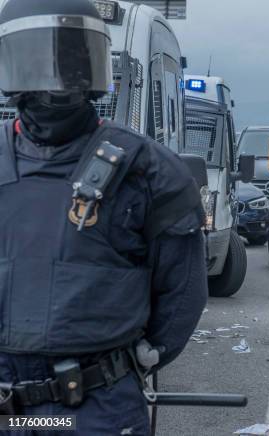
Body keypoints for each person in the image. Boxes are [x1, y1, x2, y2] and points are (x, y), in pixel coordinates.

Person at [0, 1, 206, 433]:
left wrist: (126, 361)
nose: (55, 76)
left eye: (72, 58)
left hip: (97, 406)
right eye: (37, 58)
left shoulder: (149, 171)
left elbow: (182, 294)